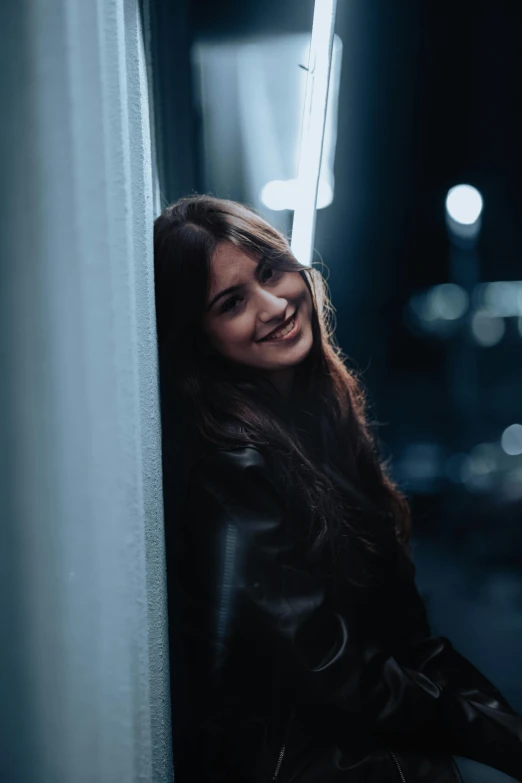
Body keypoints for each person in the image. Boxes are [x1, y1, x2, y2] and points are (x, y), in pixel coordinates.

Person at [154, 194, 522, 783]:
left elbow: (407, 640)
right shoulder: (234, 466)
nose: (274, 305)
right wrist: (480, 730)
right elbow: (334, 668)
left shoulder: (315, 421)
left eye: (271, 270)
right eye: (231, 302)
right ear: (199, 339)